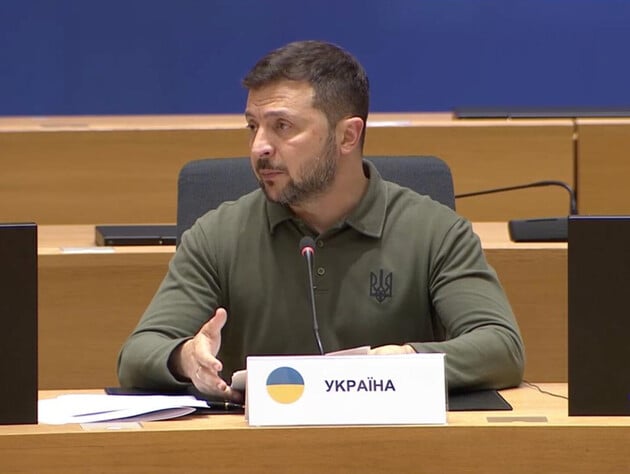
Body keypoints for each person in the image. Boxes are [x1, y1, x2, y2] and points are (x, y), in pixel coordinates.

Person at [117, 40, 525, 403]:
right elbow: (138, 353)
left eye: (282, 126)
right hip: (255, 447)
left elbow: (501, 347)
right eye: (253, 126)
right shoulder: (217, 235)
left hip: (395, 445)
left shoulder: (436, 231)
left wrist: (405, 360)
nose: (259, 147)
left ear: (347, 136)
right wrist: (185, 357)